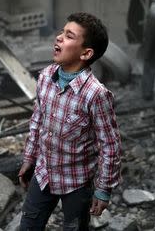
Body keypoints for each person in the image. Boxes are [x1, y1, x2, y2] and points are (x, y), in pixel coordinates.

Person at [18, 12, 122, 230]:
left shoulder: (96, 94)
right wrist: (30, 157)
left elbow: (110, 145)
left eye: (69, 36)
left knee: (74, 228)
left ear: (86, 53)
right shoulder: (46, 76)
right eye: (61, 32)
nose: (59, 38)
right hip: (44, 173)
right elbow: (37, 120)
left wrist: (103, 189)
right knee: (28, 225)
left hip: (77, 182)